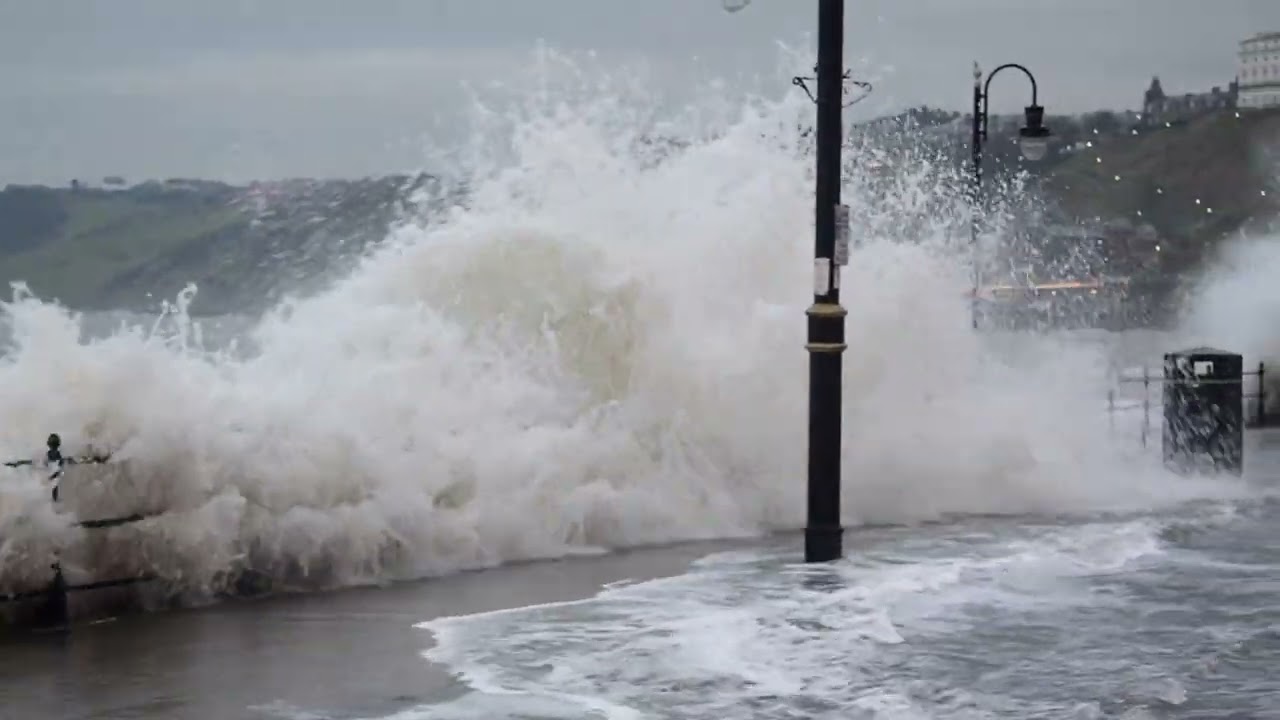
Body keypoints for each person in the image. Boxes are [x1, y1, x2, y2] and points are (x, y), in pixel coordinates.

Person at [3, 433, 111, 502]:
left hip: (53, 470)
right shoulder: (54, 458)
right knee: (56, 476)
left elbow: (34, 462)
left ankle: (98, 459)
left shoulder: (53, 458)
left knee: (54, 477)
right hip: (53, 470)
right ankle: (98, 459)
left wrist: (18, 463)